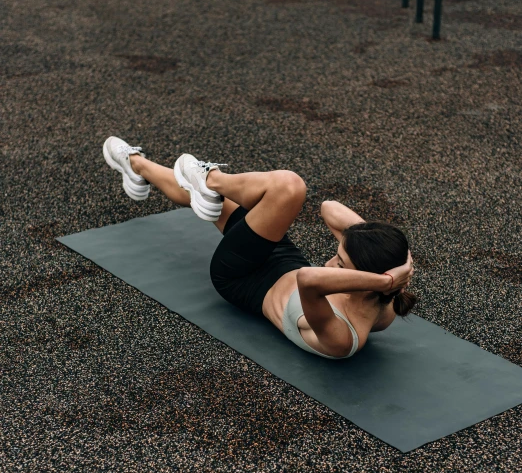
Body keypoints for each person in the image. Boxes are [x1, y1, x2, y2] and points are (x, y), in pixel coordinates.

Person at [103, 137, 416, 359]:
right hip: (281, 259)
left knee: (289, 188)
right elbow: (329, 208)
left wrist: (388, 277)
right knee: (211, 205)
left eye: (341, 263)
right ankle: (136, 165)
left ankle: (210, 178)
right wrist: (402, 260)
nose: (331, 263)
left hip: (241, 278)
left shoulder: (343, 337)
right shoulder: (384, 301)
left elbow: (309, 279)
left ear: (370, 282)